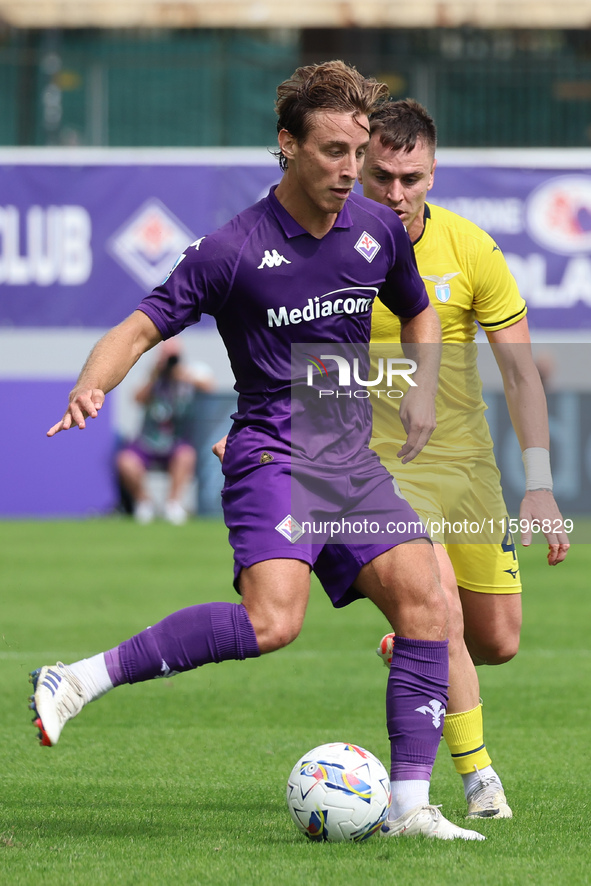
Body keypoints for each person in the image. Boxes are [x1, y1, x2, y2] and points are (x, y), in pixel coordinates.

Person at [29, 60, 485, 842]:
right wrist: (91, 386)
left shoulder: (376, 229)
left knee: (430, 605)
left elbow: (415, 312)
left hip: (351, 463)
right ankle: (77, 679)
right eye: (333, 151)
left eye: (357, 152)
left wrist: (417, 386)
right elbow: (139, 327)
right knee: (273, 624)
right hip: (273, 456)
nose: (350, 170)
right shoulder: (232, 250)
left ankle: (411, 808)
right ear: (287, 145)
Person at [357, 99, 570, 816]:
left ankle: (416, 650)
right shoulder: (328, 249)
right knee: (438, 608)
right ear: (359, 164)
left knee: (497, 639)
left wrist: (537, 486)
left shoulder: (471, 249)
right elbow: (290, 352)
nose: (395, 193)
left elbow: (517, 374)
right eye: (381, 175)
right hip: (378, 470)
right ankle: (478, 781)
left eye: (409, 177)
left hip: (468, 469)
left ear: (432, 171)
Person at [116, 337, 213, 525]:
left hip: (176, 440)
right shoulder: (152, 376)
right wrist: (155, 376)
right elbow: (137, 398)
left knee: (186, 456)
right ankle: (144, 503)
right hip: (148, 440)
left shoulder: (189, 373)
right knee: (125, 461)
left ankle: (173, 505)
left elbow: (210, 387)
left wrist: (181, 374)